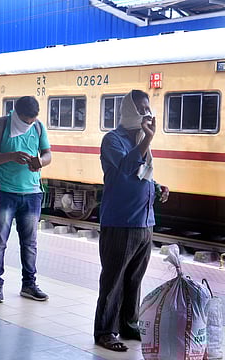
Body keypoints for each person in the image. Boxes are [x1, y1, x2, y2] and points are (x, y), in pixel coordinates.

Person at [93, 90, 169, 352]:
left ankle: (128, 323)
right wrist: (146, 139)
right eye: (140, 108)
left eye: (148, 108)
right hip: (120, 221)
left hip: (144, 222)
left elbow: (141, 174)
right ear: (128, 111)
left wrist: (157, 187)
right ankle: (105, 331)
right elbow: (125, 169)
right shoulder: (113, 140)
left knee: (134, 279)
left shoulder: (139, 139)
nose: (146, 113)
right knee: (113, 280)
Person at [0, 96, 51, 303]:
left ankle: (29, 285)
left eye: (32, 120)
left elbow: (48, 154)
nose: (29, 123)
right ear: (16, 113)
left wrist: (41, 161)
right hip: (5, 193)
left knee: (30, 243)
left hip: (32, 194)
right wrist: (11, 156)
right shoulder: (0, 125)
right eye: (25, 120)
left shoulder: (38, 127)